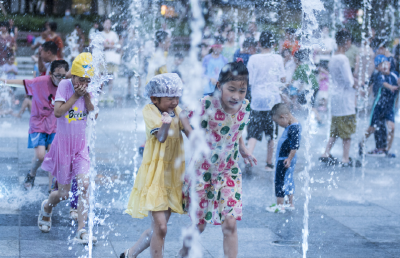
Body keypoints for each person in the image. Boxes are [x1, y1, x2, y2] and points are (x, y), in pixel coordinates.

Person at [179, 61, 257, 258]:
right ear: (218, 86)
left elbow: (235, 129)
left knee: (230, 223)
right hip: (203, 171)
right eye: (231, 89)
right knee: (199, 225)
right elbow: (182, 116)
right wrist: (192, 135)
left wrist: (244, 148)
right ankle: (183, 253)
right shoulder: (207, 104)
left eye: (242, 90)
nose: (237, 96)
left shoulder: (245, 107)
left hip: (229, 171)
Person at [121, 73, 186, 258]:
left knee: (158, 228)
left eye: (177, 97)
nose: (175, 101)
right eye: (170, 97)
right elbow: (161, 137)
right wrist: (166, 124)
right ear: (154, 98)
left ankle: (129, 254)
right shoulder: (150, 110)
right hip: (155, 175)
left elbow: (191, 132)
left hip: (172, 175)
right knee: (161, 227)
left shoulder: (178, 110)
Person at [38, 53, 96, 244]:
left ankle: (82, 230)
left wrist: (85, 94)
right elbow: (58, 112)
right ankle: (47, 207)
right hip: (63, 146)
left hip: (80, 146)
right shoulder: (65, 85)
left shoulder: (87, 88)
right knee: (63, 194)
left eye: (88, 80)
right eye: (81, 79)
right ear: (73, 76)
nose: (84, 83)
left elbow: (92, 112)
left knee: (84, 185)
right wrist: (75, 95)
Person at [246, 30, 286, 171]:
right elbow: (283, 79)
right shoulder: (278, 58)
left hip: (257, 100)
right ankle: (269, 164)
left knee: (253, 132)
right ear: (274, 44)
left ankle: (248, 156)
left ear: (259, 43)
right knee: (271, 134)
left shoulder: (253, 59)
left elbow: (249, 81)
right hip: (272, 101)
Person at [319, 30, 357, 167]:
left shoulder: (334, 57)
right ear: (347, 42)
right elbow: (349, 81)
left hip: (335, 96)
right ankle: (345, 158)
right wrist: (358, 84)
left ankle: (326, 153)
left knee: (335, 128)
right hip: (345, 98)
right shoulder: (343, 58)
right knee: (347, 130)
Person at [359, 55, 398, 157]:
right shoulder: (379, 76)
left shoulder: (395, 74)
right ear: (377, 68)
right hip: (378, 106)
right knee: (372, 128)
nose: (384, 66)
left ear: (389, 64)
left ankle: (386, 150)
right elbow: (384, 84)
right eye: (380, 65)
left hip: (389, 107)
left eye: (385, 63)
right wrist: (391, 87)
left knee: (392, 128)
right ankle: (361, 143)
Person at [266, 103, 301, 213]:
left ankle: (280, 205)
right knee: (288, 180)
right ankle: (289, 203)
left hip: (285, 159)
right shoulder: (293, 125)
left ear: (283, 116)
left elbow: (295, 146)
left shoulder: (293, 128)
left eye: (277, 122)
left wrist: (289, 159)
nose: (278, 125)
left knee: (279, 180)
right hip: (286, 158)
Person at [102, 18, 121, 103]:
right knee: (102, 76)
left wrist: (109, 46)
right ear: (103, 24)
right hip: (103, 58)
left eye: (109, 23)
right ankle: (101, 95)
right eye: (106, 23)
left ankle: (110, 94)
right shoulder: (100, 34)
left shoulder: (113, 34)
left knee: (111, 76)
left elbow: (117, 45)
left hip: (111, 58)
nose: (107, 25)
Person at [121, 27, 141, 98]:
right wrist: (122, 58)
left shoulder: (137, 39)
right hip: (128, 60)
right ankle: (129, 92)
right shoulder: (126, 40)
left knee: (138, 76)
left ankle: (138, 92)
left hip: (135, 60)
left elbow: (141, 48)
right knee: (129, 76)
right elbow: (123, 49)